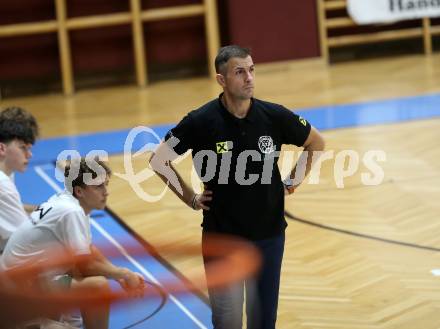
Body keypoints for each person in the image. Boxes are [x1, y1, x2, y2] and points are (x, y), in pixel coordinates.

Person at [149, 45, 325, 329]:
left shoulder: (274, 116)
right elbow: (159, 160)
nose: (249, 78)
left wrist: (291, 183)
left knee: (263, 320)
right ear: (221, 79)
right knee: (227, 320)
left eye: (252, 70)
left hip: (269, 237)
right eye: (239, 72)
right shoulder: (201, 121)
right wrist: (191, 199)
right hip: (222, 239)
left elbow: (316, 143)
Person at [1, 158, 145, 329]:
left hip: (26, 279)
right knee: (97, 286)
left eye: (106, 185)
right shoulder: (72, 211)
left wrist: (117, 274)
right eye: (98, 186)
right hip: (18, 290)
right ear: (79, 191)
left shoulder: (70, 200)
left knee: (85, 277)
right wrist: (124, 273)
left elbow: (87, 250)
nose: (106, 192)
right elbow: (87, 266)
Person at [0, 107, 39, 253]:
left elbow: (13, 208)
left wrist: (42, 209)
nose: (29, 155)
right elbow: (25, 240)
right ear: (2, 148)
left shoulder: (6, 169)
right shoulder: (2, 184)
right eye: (23, 147)